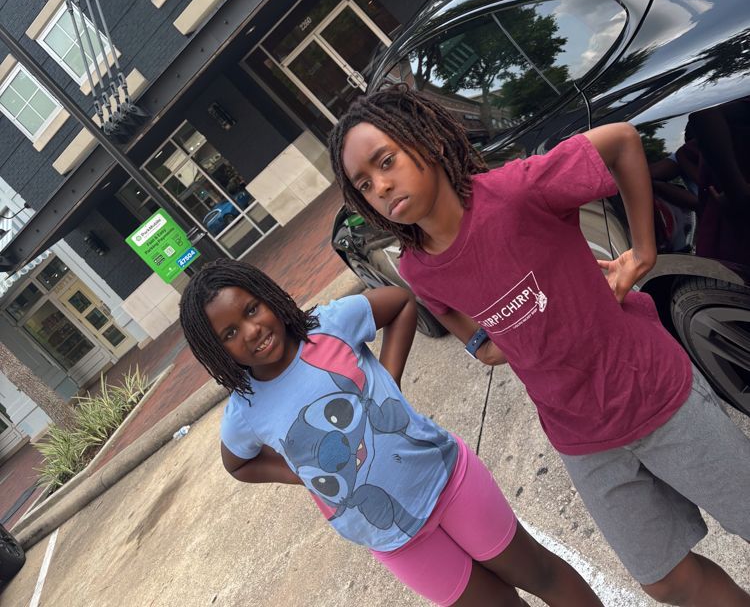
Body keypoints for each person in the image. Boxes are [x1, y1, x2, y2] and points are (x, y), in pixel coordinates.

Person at [329, 86, 750, 607]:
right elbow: (473, 334)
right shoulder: (417, 268)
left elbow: (620, 142)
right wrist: (501, 342)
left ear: (430, 142)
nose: (381, 186)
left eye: (386, 161)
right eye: (364, 184)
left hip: (651, 393)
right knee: (663, 578)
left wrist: (642, 253)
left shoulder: (516, 192)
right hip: (580, 438)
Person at [179, 259, 603, 607]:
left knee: (540, 574)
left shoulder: (328, 327)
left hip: (446, 480)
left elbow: (400, 304)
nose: (250, 331)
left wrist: (390, 378)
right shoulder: (245, 410)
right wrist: (300, 471)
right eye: (229, 334)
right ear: (217, 350)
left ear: (267, 298)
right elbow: (237, 463)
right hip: (392, 537)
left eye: (251, 310)